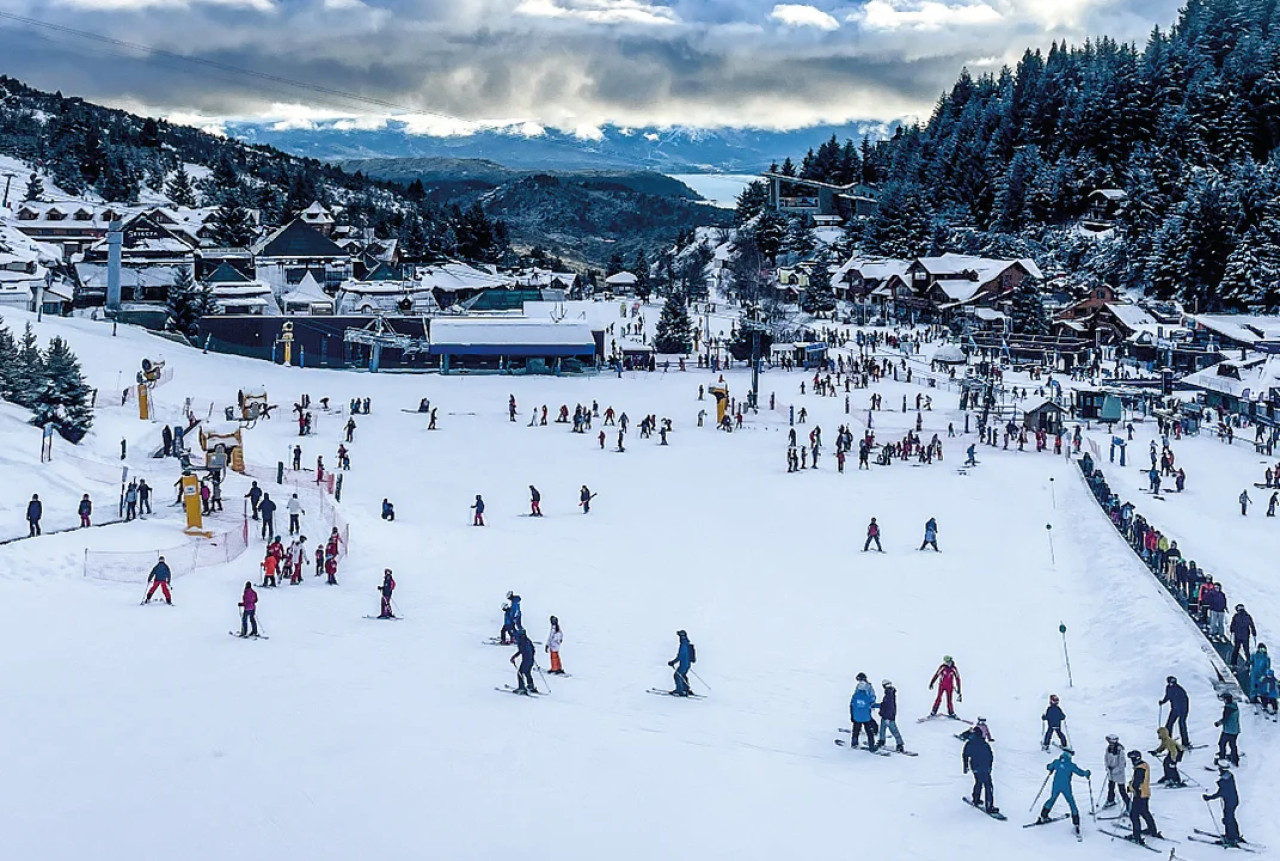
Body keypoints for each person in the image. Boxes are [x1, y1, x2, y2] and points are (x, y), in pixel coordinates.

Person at [1036, 749, 1090, 836]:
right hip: (1066, 787)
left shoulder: (1057, 762)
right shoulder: (1071, 765)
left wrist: (1050, 768)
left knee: (1052, 799)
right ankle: (1076, 823)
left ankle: (1043, 815)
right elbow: (1081, 773)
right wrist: (1087, 773)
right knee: (1071, 803)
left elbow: (1049, 767)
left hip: (1056, 785)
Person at [1127, 750, 1161, 844]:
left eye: (1132, 759)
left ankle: (1136, 836)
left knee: (1134, 815)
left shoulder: (1139, 769)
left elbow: (1136, 784)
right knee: (1144, 812)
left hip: (1140, 794)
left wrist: (1130, 788)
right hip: (1145, 793)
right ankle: (1152, 830)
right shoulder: (1144, 765)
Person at [962, 723, 997, 814]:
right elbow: (990, 756)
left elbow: (965, 755)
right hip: (984, 767)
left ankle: (976, 799)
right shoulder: (984, 744)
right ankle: (989, 805)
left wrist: (965, 766)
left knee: (978, 782)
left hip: (975, 767)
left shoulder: (970, 743)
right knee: (988, 785)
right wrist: (990, 767)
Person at [1204, 763, 1242, 846]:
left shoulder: (1224, 781)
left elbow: (1220, 793)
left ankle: (1231, 837)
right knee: (1231, 817)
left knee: (1228, 819)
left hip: (1230, 802)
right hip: (1233, 800)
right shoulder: (1229, 777)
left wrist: (1209, 798)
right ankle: (1235, 835)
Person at [848, 672, 878, 750]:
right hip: (866, 715)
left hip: (857, 716)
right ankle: (872, 745)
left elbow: (852, 704)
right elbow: (872, 699)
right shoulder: (867, 693)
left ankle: (854, 743)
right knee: (869, 731)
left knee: (856, 730)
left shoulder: (856, 695)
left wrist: (852, 715)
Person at [1160, 675, 1191, 746]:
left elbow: (1185, 700)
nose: (1171, 684)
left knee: (1182, 724)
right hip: (1174, 709)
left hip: (1183, 710)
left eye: (1172, 683)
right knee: (1169, 724)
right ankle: (1168, 741)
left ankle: (1185, 742)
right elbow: (1168, 696)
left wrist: (1183, 711)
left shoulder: (1180, 690)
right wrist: (1163, 702)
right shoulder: (1168, 688)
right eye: (1170, 682)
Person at [1103, 735, 1129, 810]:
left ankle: (1129, 805)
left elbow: (1122, 764)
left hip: (1119, 774)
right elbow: (1106, 759)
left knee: (1122, 790)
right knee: (1111, 787)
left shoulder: (1120, 751)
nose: (1110, 744)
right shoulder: (1108, 749)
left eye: (1111, 742)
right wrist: (1107, 768)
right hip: (1111, 774)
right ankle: (1111, 800)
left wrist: (1114, 771)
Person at [1214, 692, 1241, 766]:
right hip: (1235, 730)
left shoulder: (1228, 708)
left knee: (1221, 743)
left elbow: (1225, 719)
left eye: (1224, 699)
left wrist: (1218, 723)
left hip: (1228, 730)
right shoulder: (1234, 706)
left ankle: (1222, 758)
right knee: (1232, 745)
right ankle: (1235, 759)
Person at [876, 680, 904, 752]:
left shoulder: (889, 695)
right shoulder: (889, 693)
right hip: (885, 716)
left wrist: (888, 716)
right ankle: (882, 740)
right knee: (882, 729)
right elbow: (885, 705)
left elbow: (888, 706)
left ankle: (900, 744)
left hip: (888, 717)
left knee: (894, 731)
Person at [511, 627, 538, 694]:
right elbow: (533, 649)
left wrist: (514, 657)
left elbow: (522, 651)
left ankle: (521, 688)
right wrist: (532, 656)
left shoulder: (522, 642)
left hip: (526, 660)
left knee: (520, 673)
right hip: (530, 660)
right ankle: (531, 685)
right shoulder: (528, 640)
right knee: (527, 672)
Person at [668, 629, 695, 696]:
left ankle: (680, 690)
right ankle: (686, 689)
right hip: (687, 664)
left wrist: (673, 662)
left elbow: (680, 656)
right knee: (682, 675)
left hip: (684, 664)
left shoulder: (683, 645)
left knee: (677, 675)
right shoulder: (687, 644)